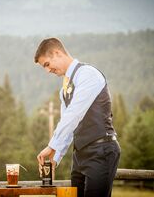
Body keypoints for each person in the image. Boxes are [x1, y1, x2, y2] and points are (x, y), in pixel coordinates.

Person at [35, 38, 120, 197]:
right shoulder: (65, 88)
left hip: (101, 151)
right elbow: (67, 125)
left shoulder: (87, 74)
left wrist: (52, 145)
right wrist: (56, 157)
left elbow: (74, 115)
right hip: (80, 155)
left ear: (57, 53)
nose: (47, 71)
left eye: (47, 64)